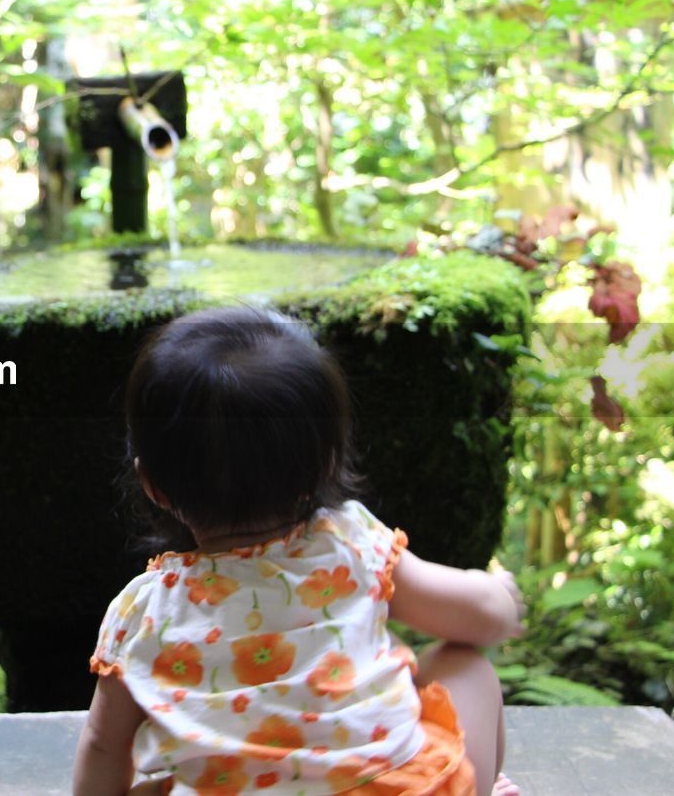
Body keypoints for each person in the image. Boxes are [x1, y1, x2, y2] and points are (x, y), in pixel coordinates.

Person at [72, 307, 525, 796]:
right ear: (327, 460)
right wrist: (499, 593)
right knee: (464, 667)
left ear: (153, 486)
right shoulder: (351, 546)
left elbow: (102, 745)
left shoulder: (143, 613)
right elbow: (482, 619)